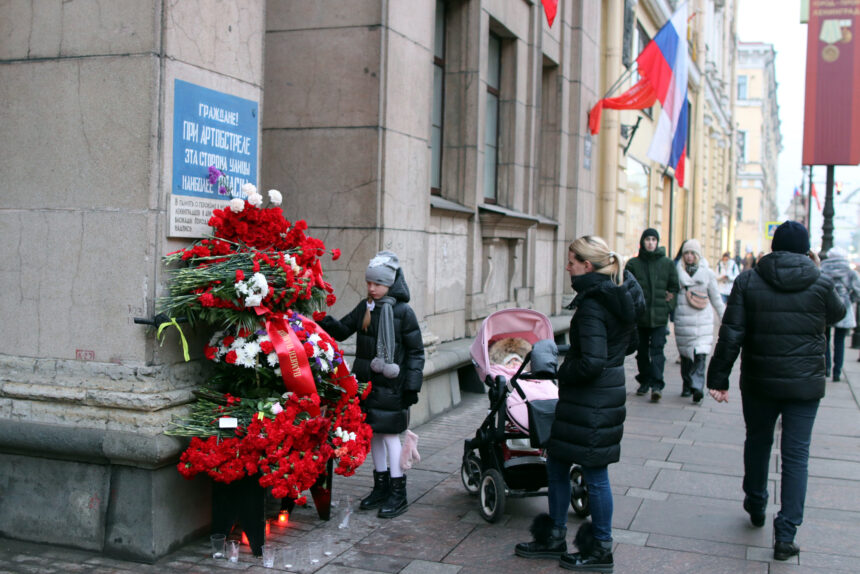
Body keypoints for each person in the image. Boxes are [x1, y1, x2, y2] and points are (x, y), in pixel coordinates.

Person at [707, 221, 844, 562]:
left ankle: (756, 502)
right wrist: (816, 268)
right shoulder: (819, 281)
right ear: (806, 250)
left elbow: (732, 332)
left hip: (760, 382)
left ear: (773, 246)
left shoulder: (749, 279)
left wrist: (718, 378)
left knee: (758, 441)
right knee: (796, 456)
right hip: (805, 385)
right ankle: (786, 534)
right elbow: (839, 313)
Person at [515, 236, 644, 573]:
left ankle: (601, 549)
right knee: (558, 463)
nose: (567, 267)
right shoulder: (617, 295)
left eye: (571, 261)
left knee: (595, 473)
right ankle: (555, 535)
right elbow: (629, 345)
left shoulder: (593, 304)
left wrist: (561, 371)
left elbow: (591, 362)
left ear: (587, 266)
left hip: (592, 398)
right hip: (601, 395)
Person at [319, 251, 425, 518]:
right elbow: (343, 329)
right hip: (366, 384)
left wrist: (412, 385)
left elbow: (415, 351)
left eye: (376, 284)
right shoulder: (366, 307)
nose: (371, 288)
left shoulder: (403, 312)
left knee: (390, 437)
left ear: (389, 284)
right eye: (369, 283)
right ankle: (380, 485)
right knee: (372, 435)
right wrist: (322, 323)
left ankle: (398, 491)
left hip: (393, 387)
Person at [625, 228, 679, 402]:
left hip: (659, 318)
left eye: (653, 240)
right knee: (641, 352)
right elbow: (626, 287)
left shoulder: (667, 263)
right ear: (643, 242)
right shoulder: (633, 264)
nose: (650, 243)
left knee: (657, 351)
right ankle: (645, 380)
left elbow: (674, 287)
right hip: (639, 318)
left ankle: (657, 385)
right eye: (647, 239)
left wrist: (668, 305)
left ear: (657, 242)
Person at [674, 239, 725, 403]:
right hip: (684, 321)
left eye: (692, 253)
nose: (689, 257)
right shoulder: (677, 273)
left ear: (698, 255)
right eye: (686, 253)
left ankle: (697, 387)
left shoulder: (707, 274)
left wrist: (725, 318)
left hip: (703, 321)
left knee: (701, 355)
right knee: (686, 357)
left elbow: (716, 298)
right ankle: (687, 385)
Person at [820, 246, 860, 381]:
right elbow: (858, 291)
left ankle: (826, 369)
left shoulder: (823, 270)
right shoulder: (850, 272)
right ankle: (837, 373)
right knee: (840, 341)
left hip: (826, 310)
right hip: (844, 309)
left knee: (825, 340)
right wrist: (849, 300)